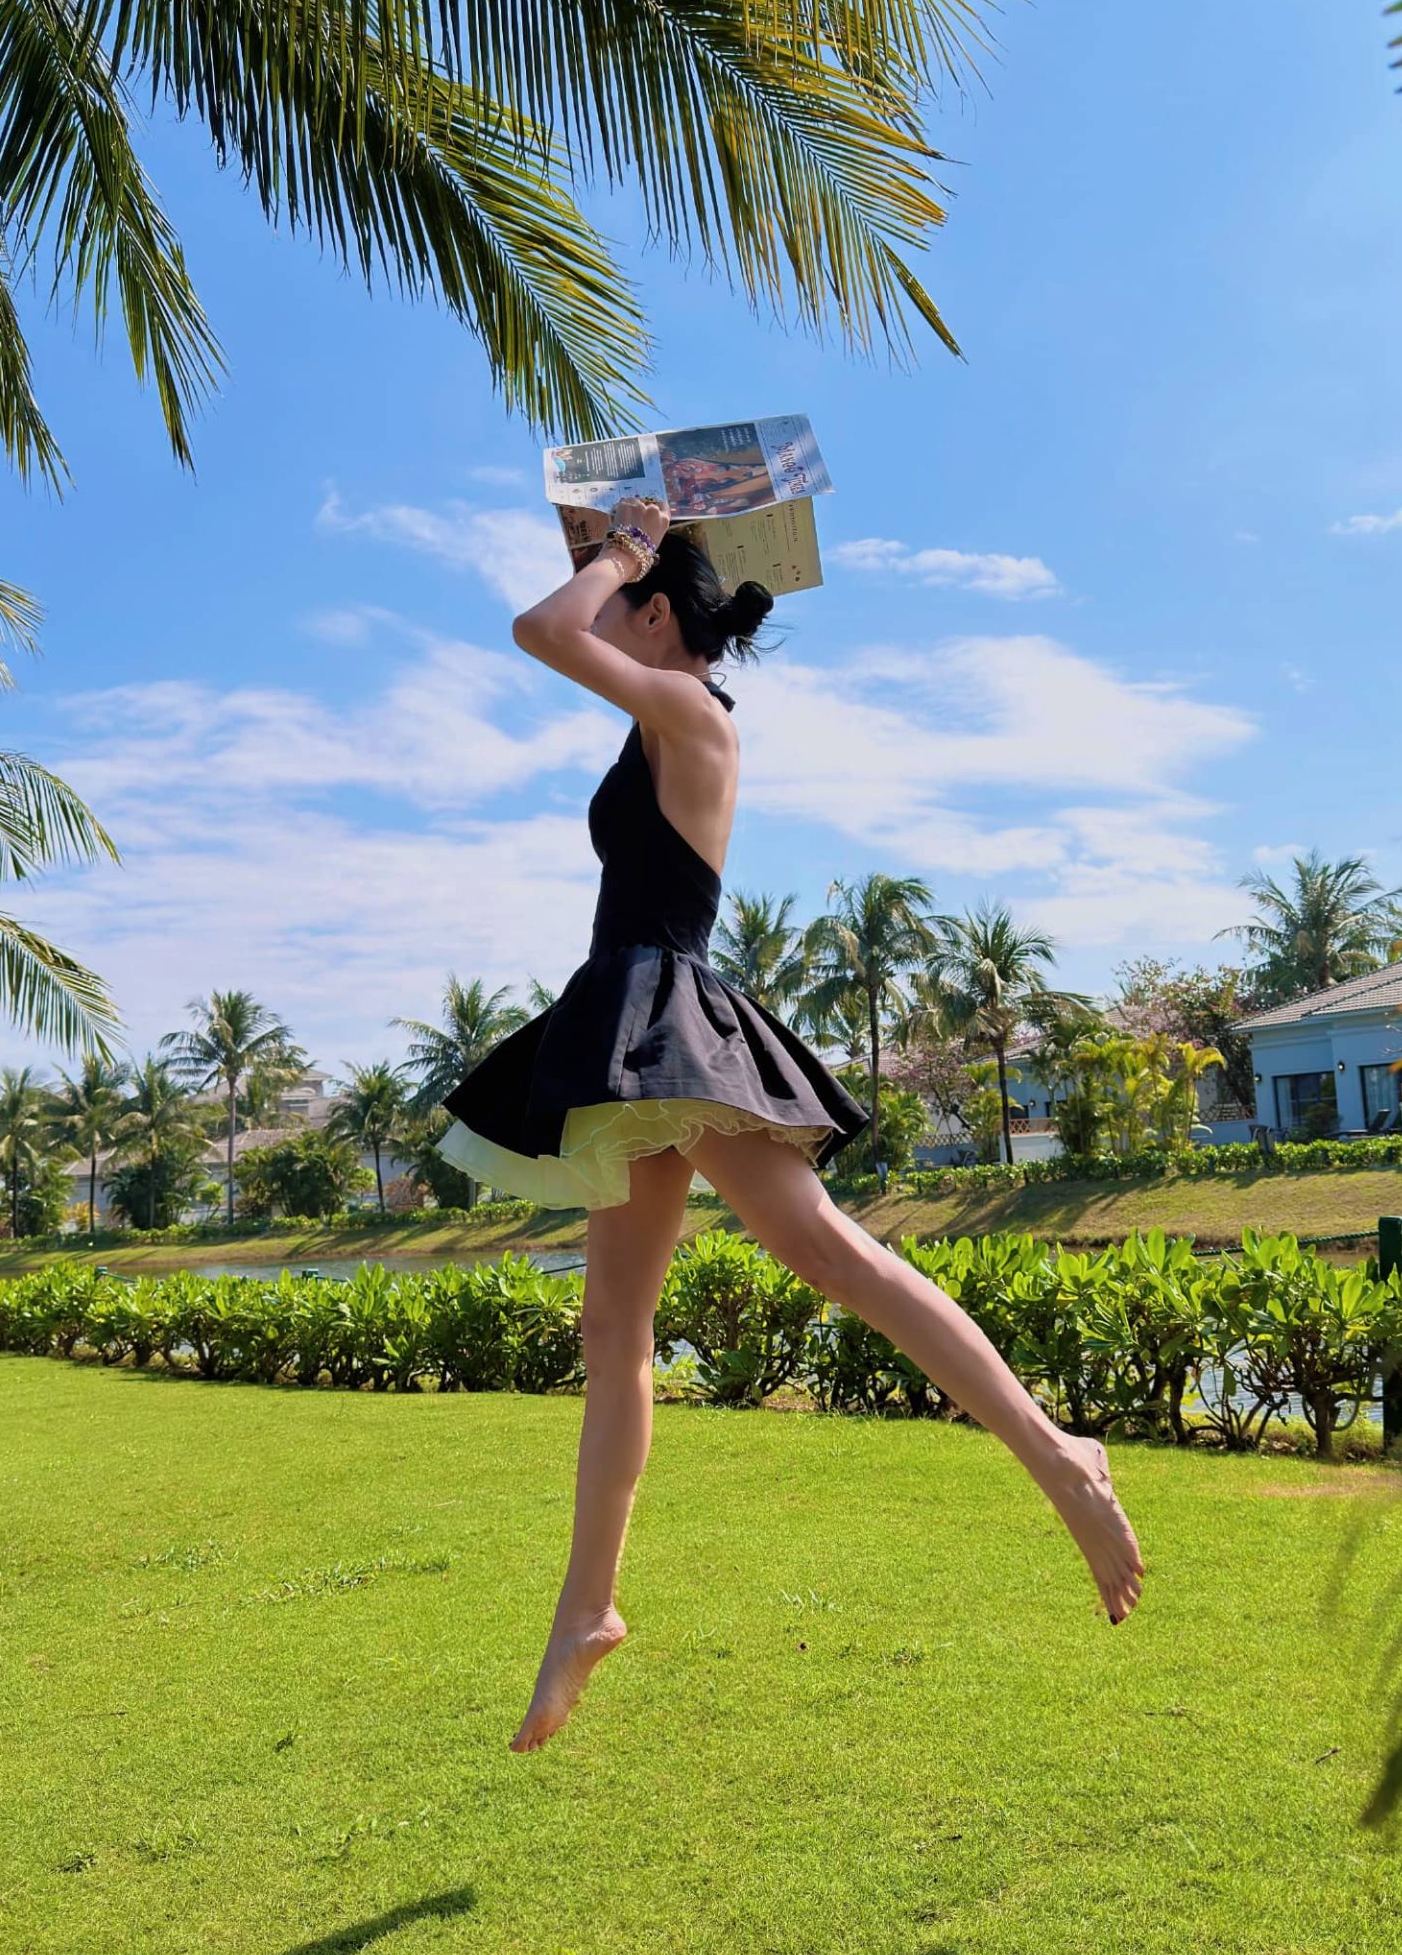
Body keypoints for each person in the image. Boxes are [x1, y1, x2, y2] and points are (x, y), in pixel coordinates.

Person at [438, 495, 1144, 1753]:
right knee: (613, 1331)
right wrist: (627, 553)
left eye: (627, 598)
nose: (606, 604)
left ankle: (1058, 1456)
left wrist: (619, 548)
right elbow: (567, 634)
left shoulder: (691, 711)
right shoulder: (661, 716)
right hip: (633, 1026)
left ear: (657, 614)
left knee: (828, 1253)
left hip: (665, 1018)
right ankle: (588, 1609)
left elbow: (541, 631)